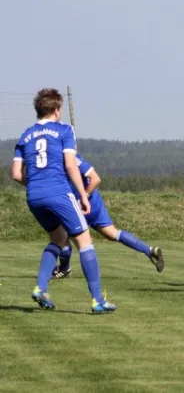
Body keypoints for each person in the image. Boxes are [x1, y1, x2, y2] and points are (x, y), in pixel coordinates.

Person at [11, 88, 116, 313]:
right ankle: (98, 300)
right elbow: (70, 164)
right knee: (85, 241)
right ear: (57, 110)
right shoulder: (64, 130)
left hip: (34, 196)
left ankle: (41, 287)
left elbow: (16, 174)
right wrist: (83, 196)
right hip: (58, 192)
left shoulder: (25, 135)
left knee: (58, 239)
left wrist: (36, 186)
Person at [51, 153, 165, 279]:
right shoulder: (71, 157)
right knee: (112, 233)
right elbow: (94, 179)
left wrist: (83, 198)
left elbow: (96, 179)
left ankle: (65, 268)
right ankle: (149, 251)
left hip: (78, 205)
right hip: (93, 202)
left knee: (64, 237)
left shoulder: (62, 159)